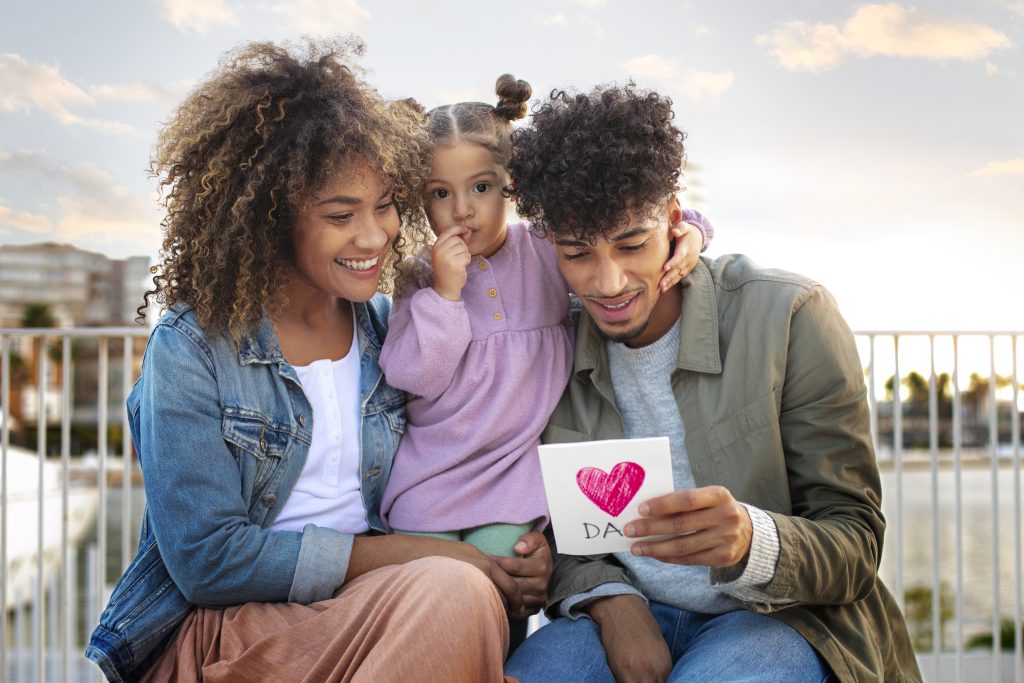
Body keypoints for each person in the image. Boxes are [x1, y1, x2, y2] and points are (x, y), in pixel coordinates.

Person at [85, 39, 552, 683]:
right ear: (273, 220)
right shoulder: (192, 348)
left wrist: (525, 552)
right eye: (341, 214)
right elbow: (208, 562)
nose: (375, 235)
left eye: (384, 205)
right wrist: (411, 555)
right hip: (233, 631)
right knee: (455, 593)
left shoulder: (388, 328)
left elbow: (477, 434)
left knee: (461, 597)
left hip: (381, 609)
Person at [502, 83, 922, 682]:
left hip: (782, 618)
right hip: (620, 614)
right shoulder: (549, 345)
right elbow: (565, 533)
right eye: (576, 254)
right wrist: (613, 604)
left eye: (632, 244)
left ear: (674, 220)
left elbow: (855, 543)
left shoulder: (789, 316)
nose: (608, 282)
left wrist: (753, 540)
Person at [378, 75, 713, 558]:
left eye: (481, 187)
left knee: (502, 580)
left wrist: (693, 235)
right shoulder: (419, 277)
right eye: (440, 193)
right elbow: (416, 378)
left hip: (513, 482)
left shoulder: (544, 248)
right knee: (428, 583)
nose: (463, 210)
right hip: (429, 479)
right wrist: (446, 295)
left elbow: (638, 220)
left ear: (511, 186)